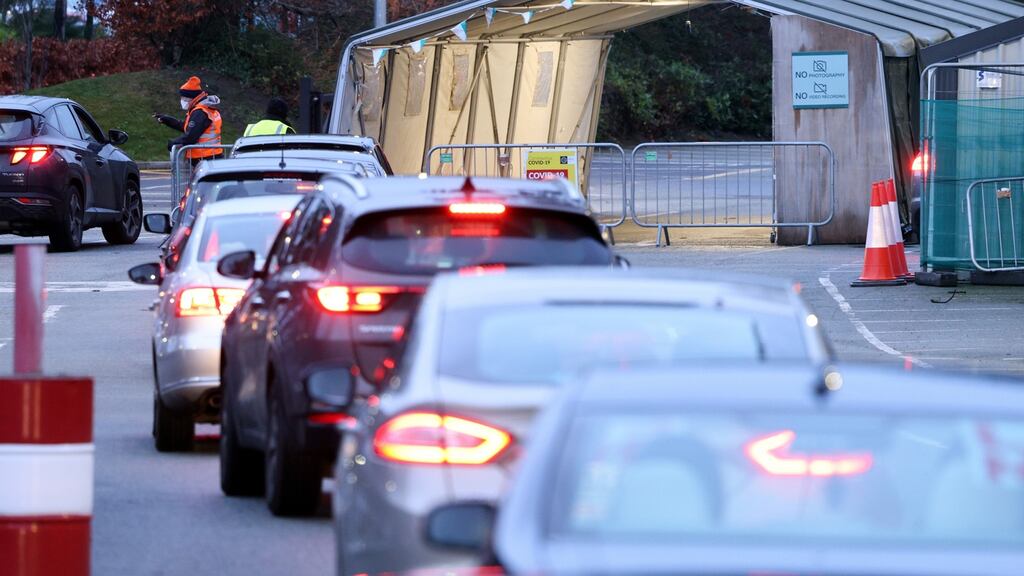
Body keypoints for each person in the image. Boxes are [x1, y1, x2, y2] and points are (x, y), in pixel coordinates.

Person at [154, 76, 223, 165]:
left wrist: (174, 143)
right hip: (210, 155)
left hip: (204, 158)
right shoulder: (204, 109)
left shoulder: (200, 112)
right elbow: (187, 127)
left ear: (192, 98)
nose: (182, 100)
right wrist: (167, 120)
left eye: (184, 98)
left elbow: (191, 137)